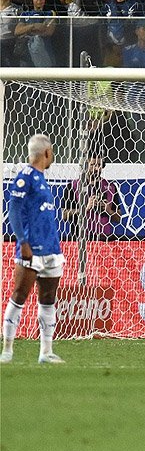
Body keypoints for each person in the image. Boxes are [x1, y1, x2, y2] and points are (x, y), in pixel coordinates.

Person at [1, 134, 65, 365]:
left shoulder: (41, 178)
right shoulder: (25, 176)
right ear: (47, 153)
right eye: (52, 153)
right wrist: (23, 242)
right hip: (32, 250)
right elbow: (14, 209)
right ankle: (7, 350)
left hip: (51, 249)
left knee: (48, 299)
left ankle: (45, 352)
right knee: (19, 296)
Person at [62, 153, 121, 238]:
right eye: (93, 165)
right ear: (85, 165)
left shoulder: (110, 187)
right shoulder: (73, 186)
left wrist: (109, 210)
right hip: (81, 238)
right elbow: (64, 215)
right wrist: (85, 208)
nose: (96, 168)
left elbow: (118, 218)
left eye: (99, 165)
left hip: (104, 239)